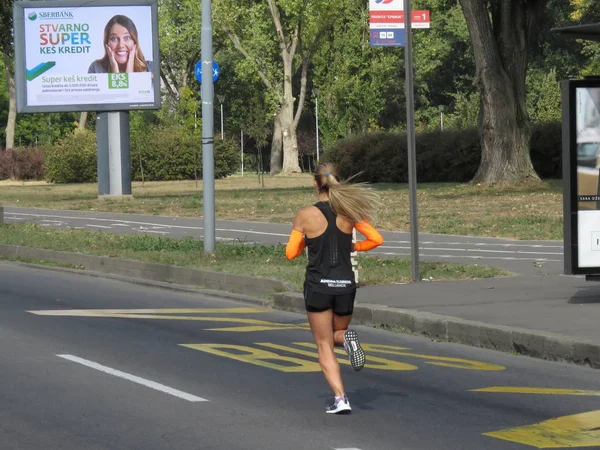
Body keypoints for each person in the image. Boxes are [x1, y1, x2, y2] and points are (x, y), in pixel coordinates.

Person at [285, 162, 384, 414]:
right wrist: (353, 247)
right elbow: (376, 239)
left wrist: (306, 241)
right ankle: (348, 340)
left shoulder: (305, 214)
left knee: (323, 345)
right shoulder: (349, 211)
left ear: (315, 184)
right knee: (338, 333)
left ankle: (341, 398)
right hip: (345, 285)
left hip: (318, 285)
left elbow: (290, 253)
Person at [88, 15, 153, 74]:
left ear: (134, 41)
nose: (121, 45)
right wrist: (115, 75)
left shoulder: (151, 68)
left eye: (127, 38)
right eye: (114, 39)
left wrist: (129, 73)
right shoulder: (96, 69)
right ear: (107, 43)